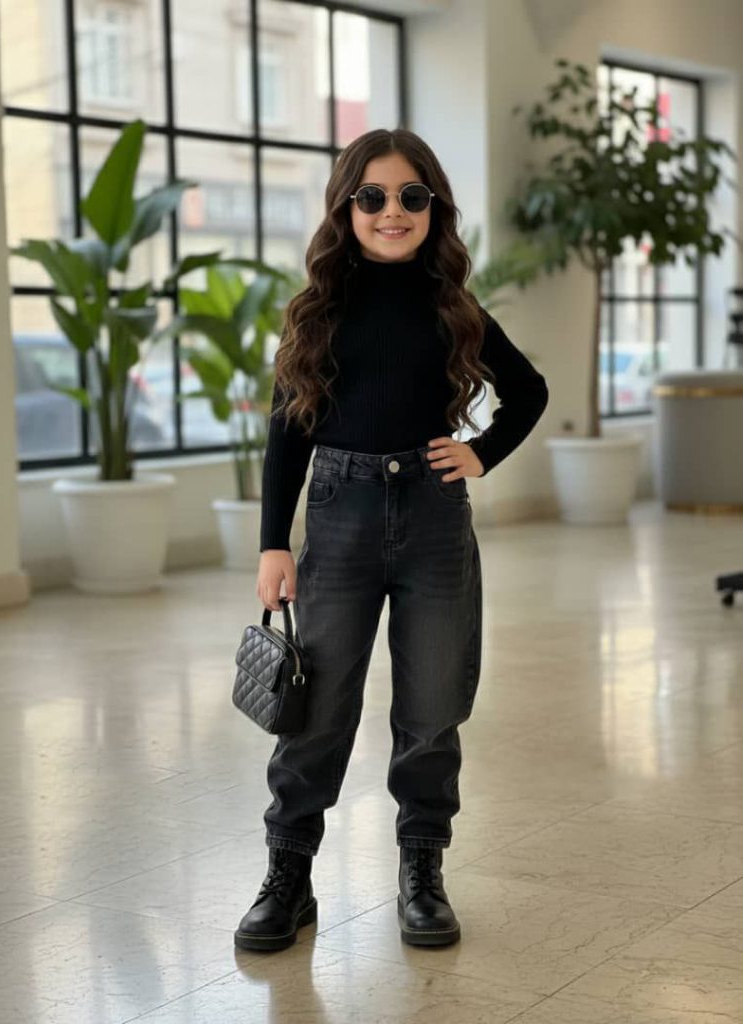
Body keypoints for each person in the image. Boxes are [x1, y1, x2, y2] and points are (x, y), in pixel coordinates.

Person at [234, 127, 549, 953]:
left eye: (411, 196)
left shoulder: (454, 308)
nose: (391, 211)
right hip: (338, 513)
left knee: (432, 706)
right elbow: (286, 435)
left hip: (434, 519)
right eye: (371, 196)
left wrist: (479, 453)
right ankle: (288, 876)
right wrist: (273, 545)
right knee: (315, 708)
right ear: (346, 208)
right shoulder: (316, 311)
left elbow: (528, 391)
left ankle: (421, 871)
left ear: (433, 207)